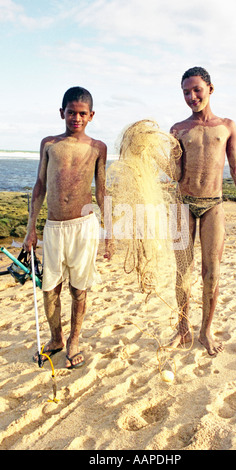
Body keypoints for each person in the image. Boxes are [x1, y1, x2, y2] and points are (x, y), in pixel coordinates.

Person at [169, 66, 236, 355]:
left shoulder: (227, 126)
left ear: (210, 89)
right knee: (183, 272)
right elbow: (174, 172)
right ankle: (183, 330)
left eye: (196, 90)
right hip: (183, 204)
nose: (192, 96)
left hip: (213, 206)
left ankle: (205, 330)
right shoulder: (178, 130)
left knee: (212, 272)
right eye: (186, 92)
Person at [23, 86, 113, 369]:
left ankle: (74, 339)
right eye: (71, 112)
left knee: (79, 288)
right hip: (53, 227)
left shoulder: (97, 147)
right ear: (62, 112)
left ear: (91, 115)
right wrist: (30, 229)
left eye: (82, 113)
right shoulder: (49, 143)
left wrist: (109, 233)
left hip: (83, 226)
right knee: (50, 287)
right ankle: (56, 338)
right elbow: (40, 185)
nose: (76, 118)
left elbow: (102, 191)